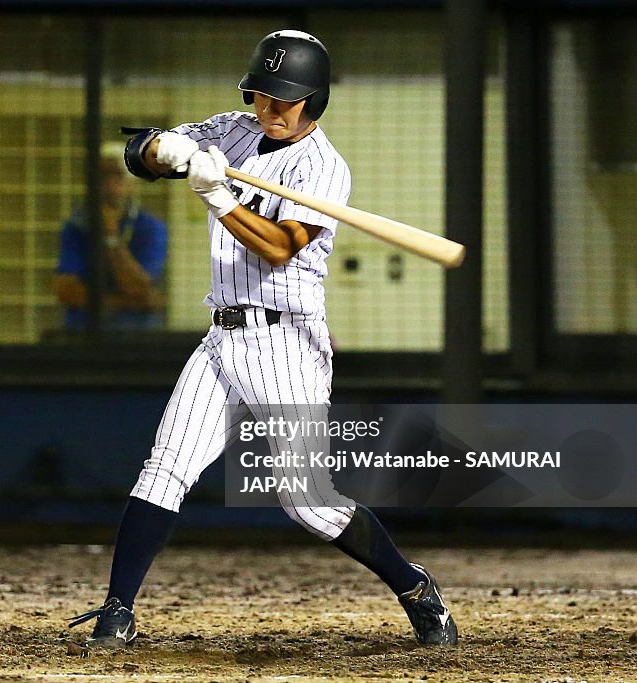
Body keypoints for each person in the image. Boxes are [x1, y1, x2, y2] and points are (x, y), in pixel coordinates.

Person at [69, 30, 458, 648]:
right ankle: (117, 609)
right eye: (262, 95)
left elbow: (278, 250)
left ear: (314, 102)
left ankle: (413, 586)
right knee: (162, 471)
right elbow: (139, 155)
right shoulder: (234, 127)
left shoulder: (325, 168)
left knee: (308, 503)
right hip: (221, 335)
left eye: (286, 100)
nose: (270, 110)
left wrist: (216, 194)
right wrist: (163, 149)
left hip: (286, 345)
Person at [52, 150, 168, 330]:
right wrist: (128, 302)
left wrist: (111, 237)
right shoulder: (77, 227)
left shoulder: (149, 227)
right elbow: (66, 292)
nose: (109, 185)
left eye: (118, 177)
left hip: (136, 335)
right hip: (83, 332)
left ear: (131, 184)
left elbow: (139, 288)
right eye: (103, 176)